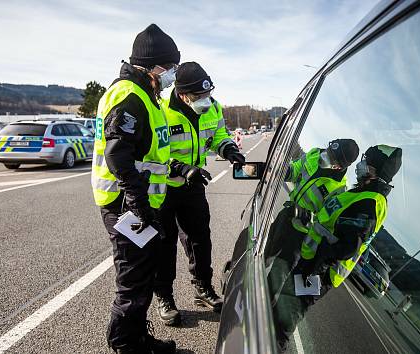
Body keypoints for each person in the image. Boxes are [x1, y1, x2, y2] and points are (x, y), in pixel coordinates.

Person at [91, 24, 181, 353]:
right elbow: (118, 154)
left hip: (136, 202)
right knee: (132, 280)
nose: (172, 73)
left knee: (142, 273)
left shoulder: (147, 95)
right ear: (153, 66)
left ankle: (137, 337)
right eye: (169, 67)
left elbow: (149, 156)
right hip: (125, 204)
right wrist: (138, 205)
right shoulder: (130, 93)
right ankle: (126, 345)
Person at [270, 144, 403, 352]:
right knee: (281, 308)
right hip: (311, 261)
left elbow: (347, 247)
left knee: (284, 322)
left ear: (375, 171)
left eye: (367, 162)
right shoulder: (361, 192)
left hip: (320, 271)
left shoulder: (370, 201)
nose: (361, 165)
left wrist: (315, 266)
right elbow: (329, 223)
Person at [154, 62, 245, 325]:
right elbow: (153, 154)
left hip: (192, 186)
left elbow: (218, 135)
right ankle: (165, 296)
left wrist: (228, 149)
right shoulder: (160, 110)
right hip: (163, 188)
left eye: (207, 95)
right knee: (165, 244)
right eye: (198, 97)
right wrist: (181, 168)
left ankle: (202, 289)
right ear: (182, 95)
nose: (205, 101)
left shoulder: (212, 107)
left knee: (200, 240)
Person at [264, 139, 359, 301]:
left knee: (278, 272)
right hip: (286, 214)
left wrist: (307, 215)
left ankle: (263, 303)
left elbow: (325, 221)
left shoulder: (339, 189)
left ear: (340, 166)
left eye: (331, 157)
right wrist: (285, 172)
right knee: (264, 252)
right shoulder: (315, 153)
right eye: (328, 150)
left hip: (300, 234)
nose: (325, 156)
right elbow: (295, 169)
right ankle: (247, 291)